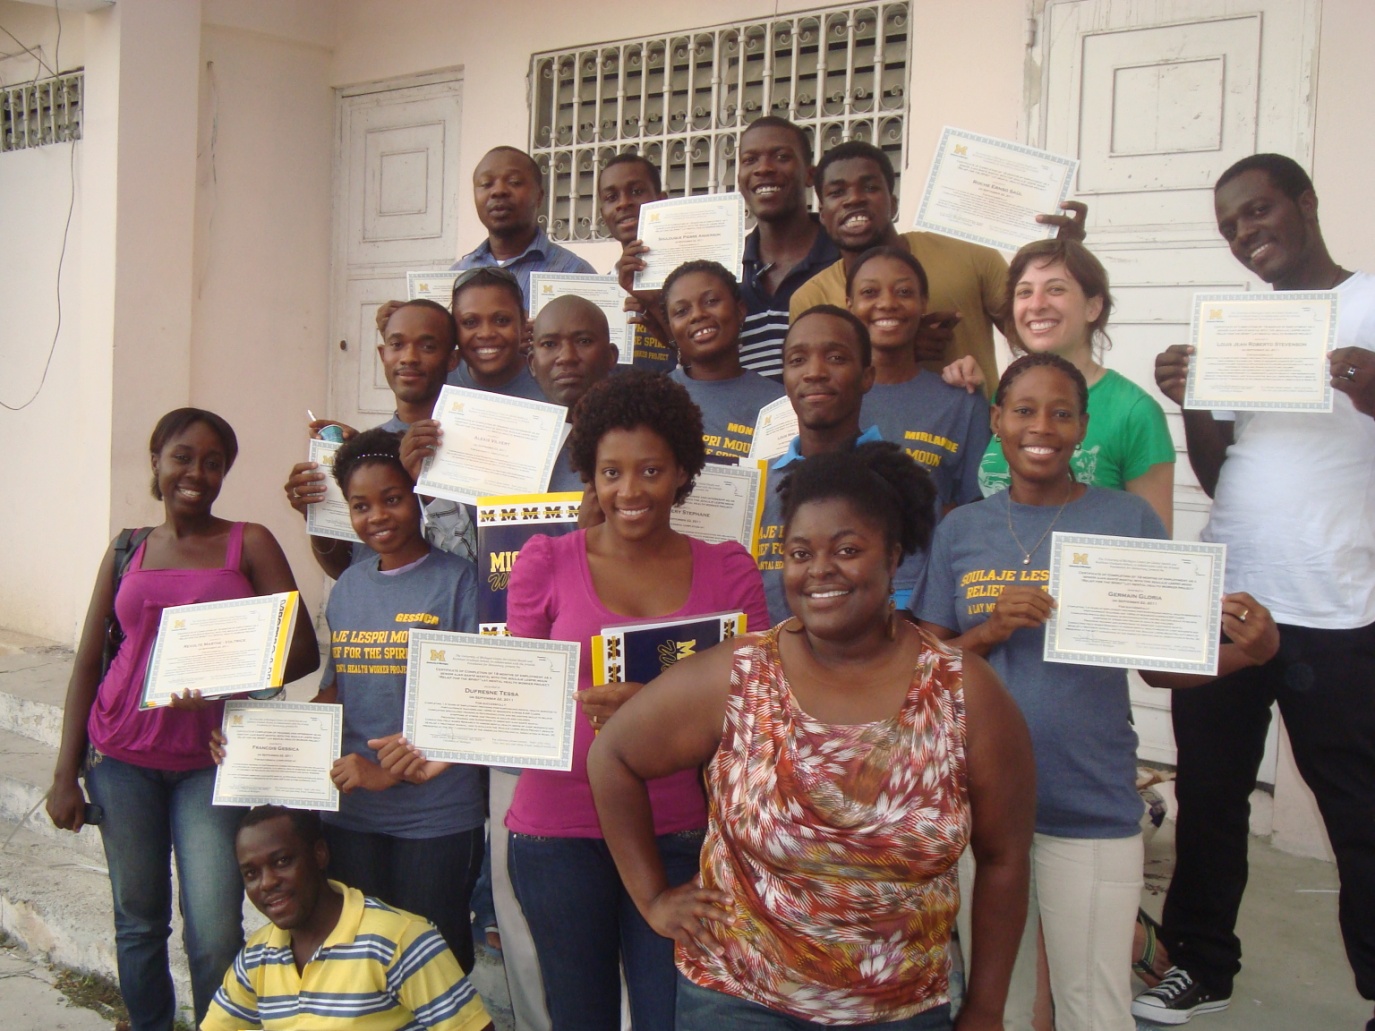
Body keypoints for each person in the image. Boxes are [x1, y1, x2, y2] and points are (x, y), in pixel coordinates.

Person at [587, 440, 1037, 1029]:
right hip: (739, 1001)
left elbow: (1004, 860)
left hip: (900, 1009)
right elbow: (612, 755)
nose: (820, 569)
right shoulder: (741, 675)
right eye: (800, 553)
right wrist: (652, 899)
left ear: (894, 556)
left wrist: (985, 1007)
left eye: (847, 549)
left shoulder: (962, 692)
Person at [915, 354, 1279, 1031]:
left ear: (1083, 427)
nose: (1041, 426)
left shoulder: (1126, 521)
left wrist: (1247, 655)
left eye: (1060, 412)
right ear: (996, 420)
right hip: (978, 807)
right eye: (1022, 409)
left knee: (1095, 1007)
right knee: (991, 1003)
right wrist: (991, 629)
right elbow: (920, 667)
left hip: (1089, 800)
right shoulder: (961, 529)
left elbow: (1161, 668)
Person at [1135, 153, 1375, 1028]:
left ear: (1305, 202)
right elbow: (1219, 468)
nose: (1245, 232)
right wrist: (1193, 397)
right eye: (1230, 224)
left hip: (1336, 603)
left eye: (1257, 210)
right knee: (1210, 790)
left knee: (1358, 807)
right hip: (1230, 592)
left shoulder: (1370, 304)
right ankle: (1200, 963)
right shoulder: (1242, 325)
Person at [502, 370, 770, 1029]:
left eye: (649, 470)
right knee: (580, 1017)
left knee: (669, 1016)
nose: (629, 491)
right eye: (610, 472)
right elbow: (520, 699)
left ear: (681, 470)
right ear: (589, 478)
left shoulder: (728, 569)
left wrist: (659, 709)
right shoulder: (544, 561)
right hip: (557, 832)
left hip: (679, 832)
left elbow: (764, 708)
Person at [46, 408, 321, 1031]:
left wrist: (232, 682)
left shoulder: (246, 542)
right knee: (138, 919)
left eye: (213, 462)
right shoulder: (128, 548)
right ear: (156, 461)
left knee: (215, 927)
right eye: (182, 457)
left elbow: (301, 647)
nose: (196, 473)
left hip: (210, 763)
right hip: (120, 757)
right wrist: (66, 774)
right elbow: (90, 662)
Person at [283, 428, 484, 972]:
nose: (377, 516)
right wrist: (268, 739)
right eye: (360, 505)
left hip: (436, 817)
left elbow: (472, 700)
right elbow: (338, 687)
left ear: (417, 498)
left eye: (392, 499)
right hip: (353, 816)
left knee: (434, 960)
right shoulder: (348, 585)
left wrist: (388, 773)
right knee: (366, 961)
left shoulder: (461, 583)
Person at [789, 140, 1087, 391]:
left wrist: (1060, 260)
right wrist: (896, 349)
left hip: (976, 441)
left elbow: (1038, 337)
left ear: (893, 204)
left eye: (869, 187)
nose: (854, 199)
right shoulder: (810, 299)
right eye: (837, 192)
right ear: (823, 216)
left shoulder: (971, 256)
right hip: (869, 450)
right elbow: (815, 386)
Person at [202, 805, 493, 1031]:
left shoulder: (399, 940)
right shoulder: (257, 957)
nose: (266, 883)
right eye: (251, 874)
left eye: (282, 861)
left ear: (319, 855)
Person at [970, 239, 1175, 533]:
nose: (1037, 304)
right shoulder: (1004, 396)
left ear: (1093, 306)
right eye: (1024, 292)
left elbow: (1154, 542)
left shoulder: (1135, 412)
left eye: (1056, 289)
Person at [284, 299, 463, 580]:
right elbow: (345, 570)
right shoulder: (365, 453)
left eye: (427, 346)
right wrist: (317, 513)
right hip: (380, 619)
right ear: (383, 354)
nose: (409, 357)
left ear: (453, 359)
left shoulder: (475, 443)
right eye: (397, 345)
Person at [754, 304, 885, 624]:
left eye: (836, 357)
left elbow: (902, 611)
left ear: (867, 375)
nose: (814, 372)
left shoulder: (898, 481)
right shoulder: (759, 483)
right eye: (797, 360)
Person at [374, 145, 595, 333]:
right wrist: (401, 328)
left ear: (539, 196)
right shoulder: (456, 276)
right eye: (486, 184)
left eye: (515, 182)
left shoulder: (574, 273)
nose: (498, 191)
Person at [846, 245, 990, 511]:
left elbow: (977, 512)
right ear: (850, 305)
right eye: (869, 292)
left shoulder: (962, 403)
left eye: (904, 292)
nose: (887, 303)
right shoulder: (832, 397)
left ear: (924, 303)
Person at [662, 259, 784, 461]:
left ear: (740, 310)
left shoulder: (779, 403)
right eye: (681, 311)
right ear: (672, 329)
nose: (698, 315)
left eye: (711, 301)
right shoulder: (652, 399)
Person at [598, 151, 676, 371]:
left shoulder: (693, 282)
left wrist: (655, 306)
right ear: (603, 213)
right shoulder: (600, 293)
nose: (624, 203)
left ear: (661, 201)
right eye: (611, 198)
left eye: (636, 191)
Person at [447, 266, 546, 398]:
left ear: (523, 323)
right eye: (470, 322)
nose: (486, 333)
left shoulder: (550, 385)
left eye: (501, 320)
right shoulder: (438, 382)